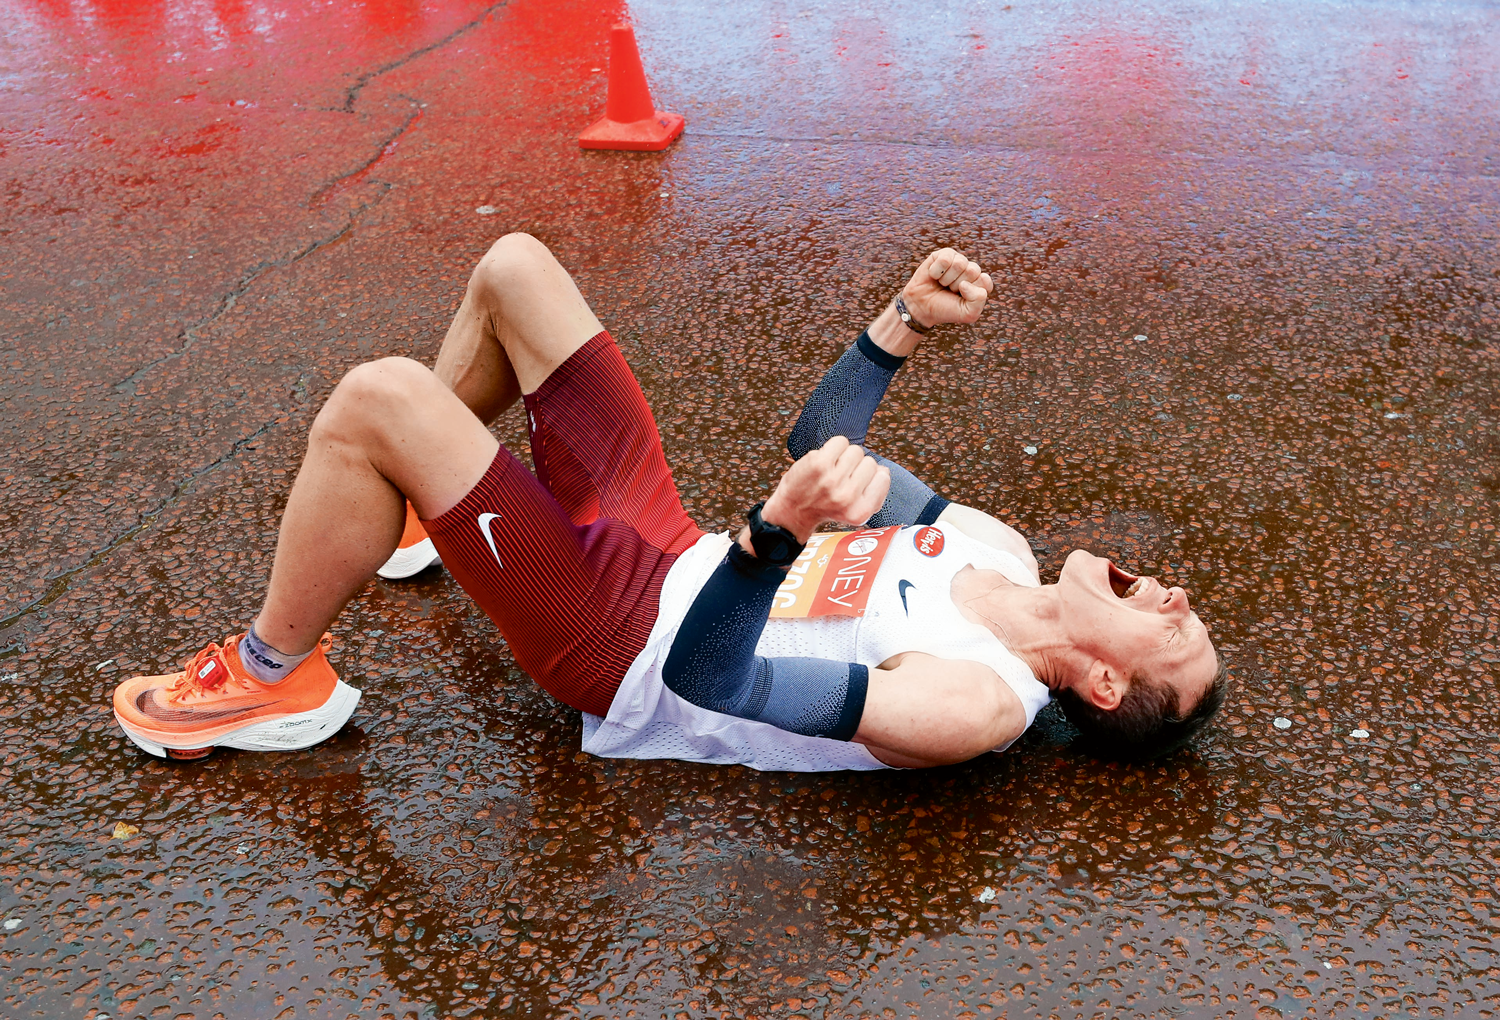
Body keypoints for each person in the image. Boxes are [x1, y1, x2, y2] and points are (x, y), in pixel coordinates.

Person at [112, 234, 1225, 769]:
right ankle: (405, 504)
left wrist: (774, 537)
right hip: (674, 544)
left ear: (1110, 678)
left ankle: (268, 679)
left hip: (624, 644)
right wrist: (900, 327)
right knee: (514, 270)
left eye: (1176, 628)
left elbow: (712, 677)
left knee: (378, 401)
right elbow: (819, 446)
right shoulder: (996, 546)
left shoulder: (972, 706)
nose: (1174, 592)